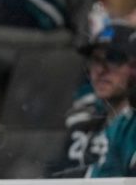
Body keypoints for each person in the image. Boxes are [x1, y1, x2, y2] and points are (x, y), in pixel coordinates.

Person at [53, 23, 136, 177]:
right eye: (95, 60)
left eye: (114, 58)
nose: (101, 70)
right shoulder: (80, 122)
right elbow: (52, 179)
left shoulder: (132, 129)